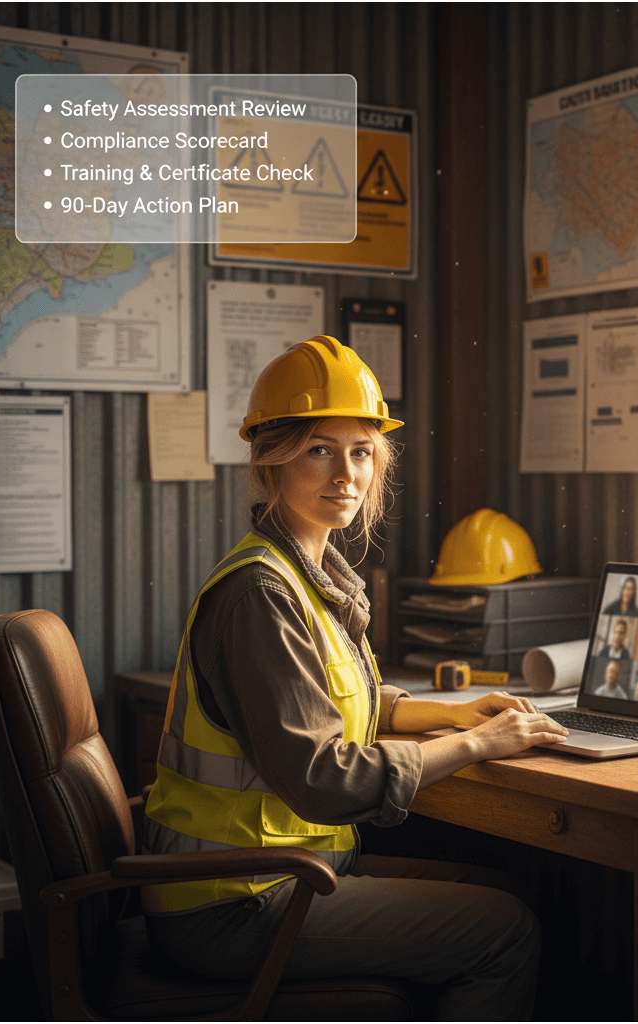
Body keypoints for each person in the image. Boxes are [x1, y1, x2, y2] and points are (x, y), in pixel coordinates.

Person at [142, 336, 568, 1021]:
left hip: (285, 874)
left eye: (361, 451)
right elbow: (323, 775)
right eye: (319, 449)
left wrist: (458, 715)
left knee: (508, 888)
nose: (346, 473)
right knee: (506, 931)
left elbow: (351, 703)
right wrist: (479, 747)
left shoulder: (309, 578)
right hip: (233, 903)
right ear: (270, 459)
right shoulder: (261, 594)